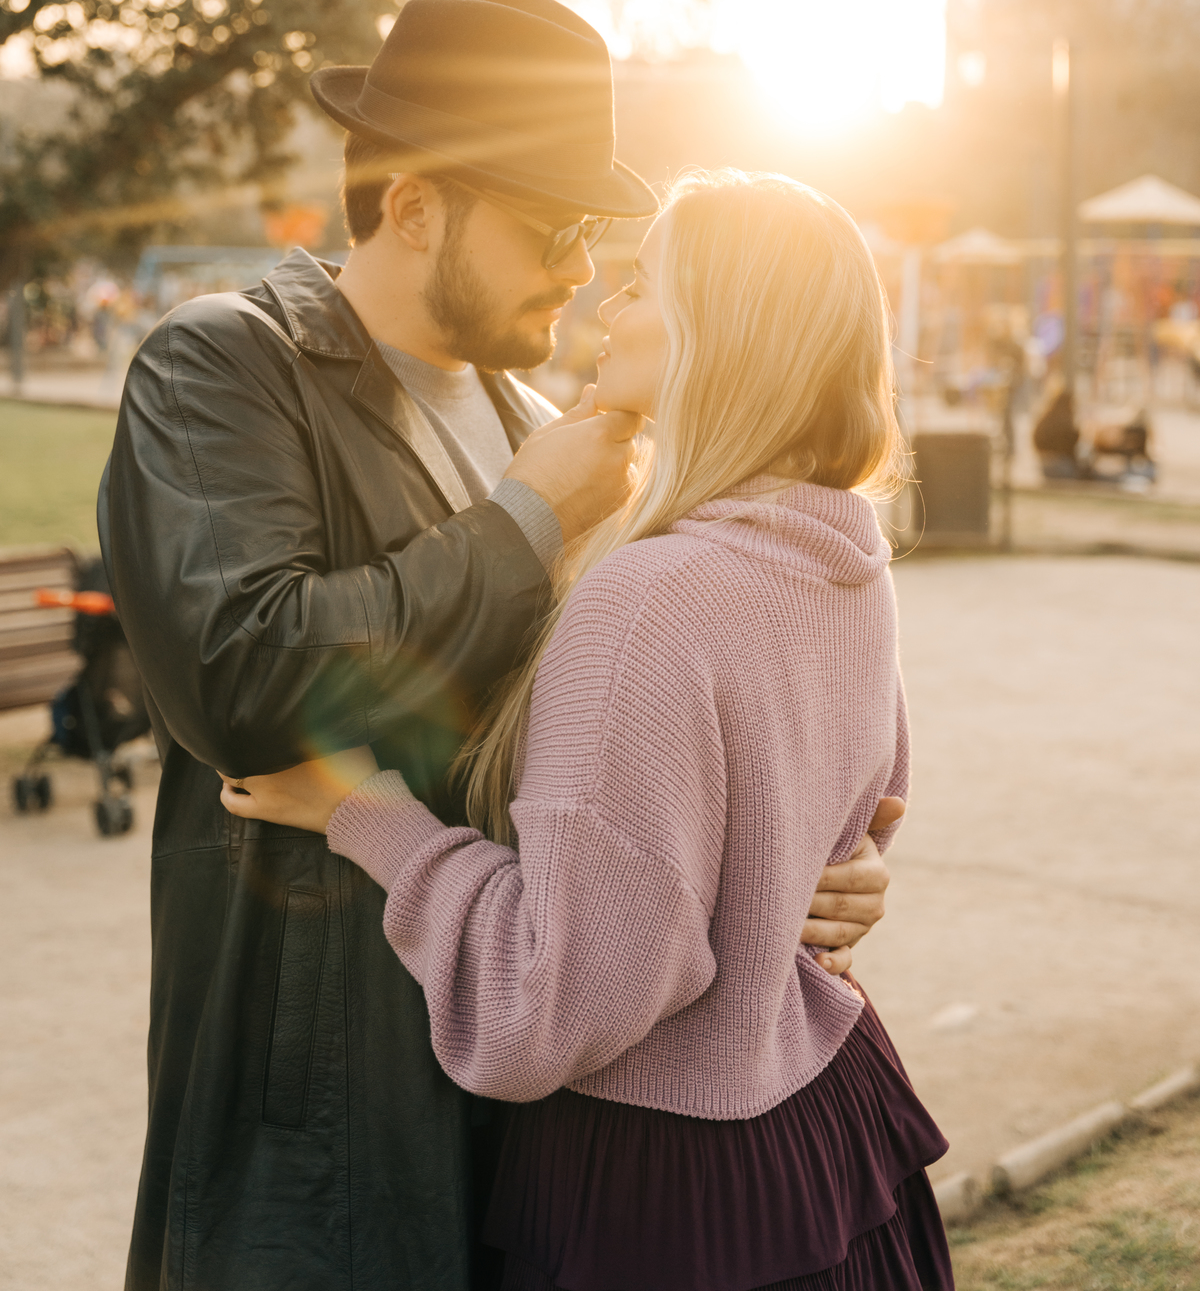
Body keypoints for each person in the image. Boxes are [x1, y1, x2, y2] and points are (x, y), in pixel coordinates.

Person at [100, 0, 894, 1291]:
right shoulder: (223, 368)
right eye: (553, 229)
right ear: (416, 207)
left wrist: (783, 871)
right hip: (324, 1118)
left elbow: (634, 758)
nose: (583, 271)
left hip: (537, 1097)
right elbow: (242, 678)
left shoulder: (550, 417)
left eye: (599, 237)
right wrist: (530, 524)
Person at [222, 169, 952, 1291]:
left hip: (668, 1187)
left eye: (642, 285)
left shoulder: (649, 601)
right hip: (832, 1132)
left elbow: (549, 1008)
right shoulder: (846, 551)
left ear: (722, 331)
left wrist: (368, 816)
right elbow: (851, 818)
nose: (604, 304)